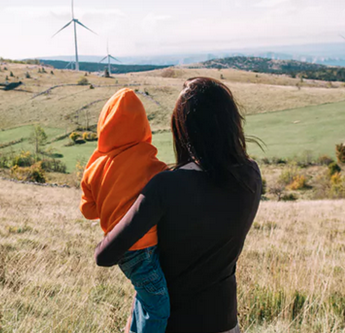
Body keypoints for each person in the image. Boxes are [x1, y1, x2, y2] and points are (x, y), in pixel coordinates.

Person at [94, 77, 262, 333]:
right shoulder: (251, 176)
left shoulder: (166, 186)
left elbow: (104, 256)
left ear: (183, 130)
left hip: (170, 325)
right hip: (225, 321)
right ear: (231, 123)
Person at [80, 88, 170, 332]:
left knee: (144, 296)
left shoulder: (95, 167)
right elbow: (167, 186)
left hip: (121, 249)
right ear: (142, 124)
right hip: (144, 248)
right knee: (158, 306)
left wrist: (110, 202)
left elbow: (88, 210)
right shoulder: (150, 161)